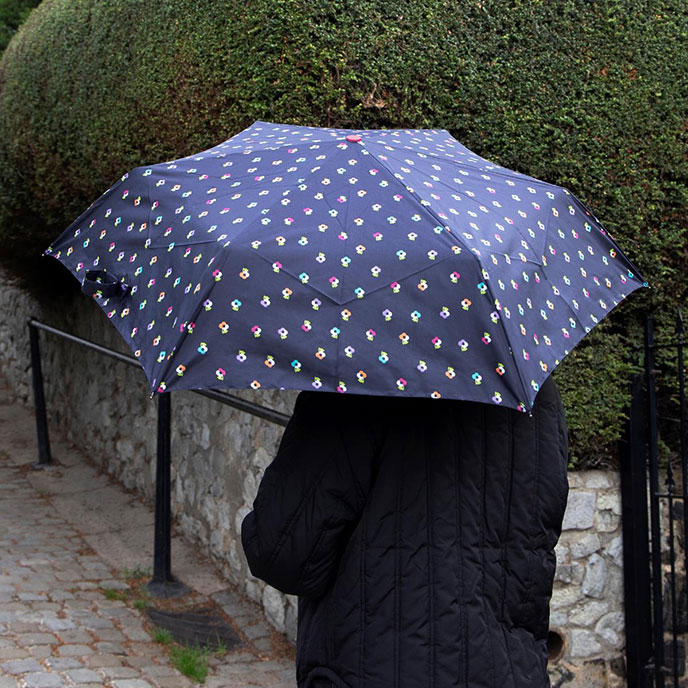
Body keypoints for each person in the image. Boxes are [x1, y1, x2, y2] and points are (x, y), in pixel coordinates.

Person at [241, 376, 569, 688]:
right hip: (509, 672)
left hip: (374, 670)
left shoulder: (359, 382)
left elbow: (281, 553)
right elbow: (537, 541)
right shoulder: (538, 395)